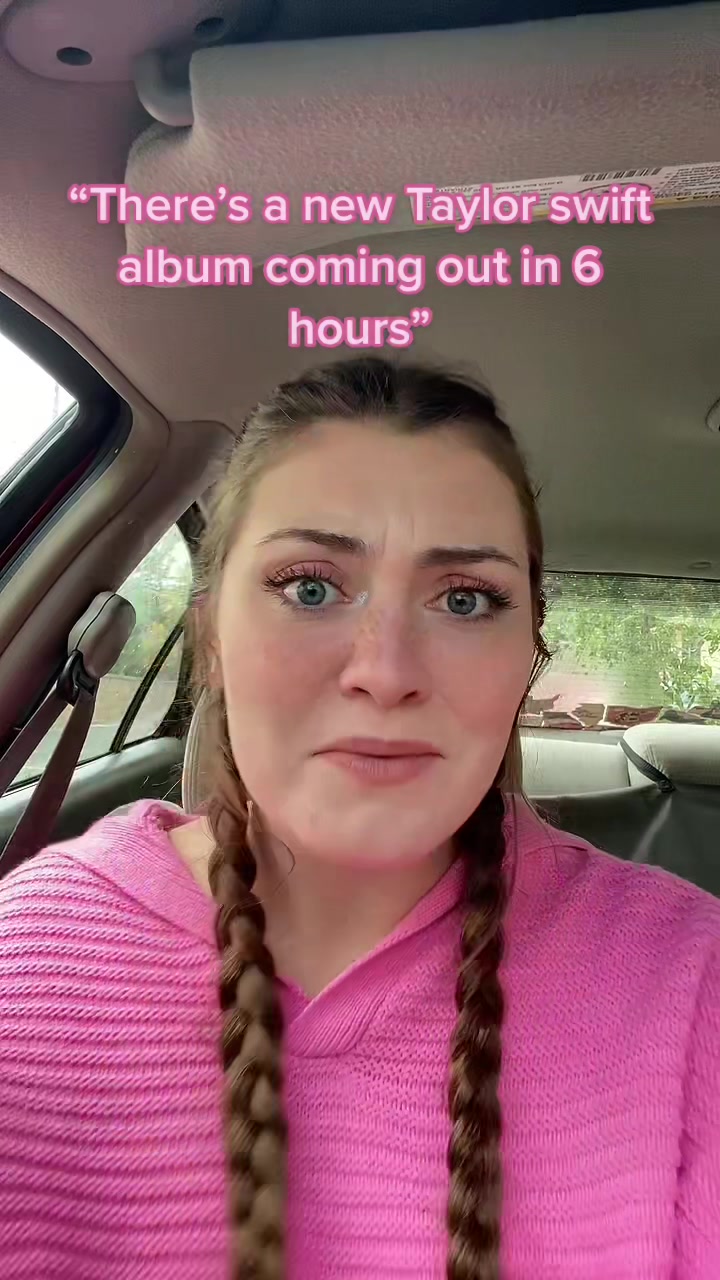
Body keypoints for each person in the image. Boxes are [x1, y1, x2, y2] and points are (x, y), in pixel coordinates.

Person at [0, 356, 717, 1280]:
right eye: (310, 587)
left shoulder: (690, 980)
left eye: (465, 600)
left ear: (528, 654)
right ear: (211, 639)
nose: (385, 672)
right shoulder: (29, 967)